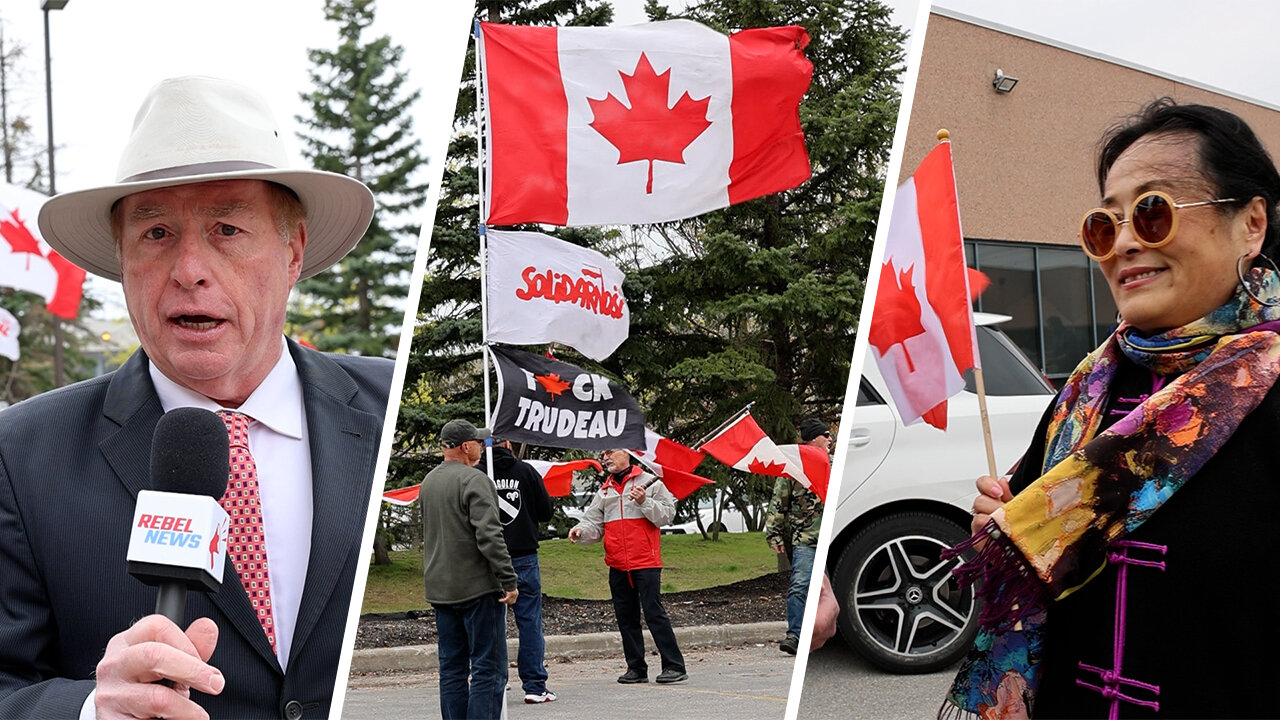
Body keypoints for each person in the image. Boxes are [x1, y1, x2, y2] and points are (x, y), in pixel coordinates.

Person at [0, 76, 392, 719]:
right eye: (155, 234)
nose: (189, 269)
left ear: (292, 252)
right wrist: (91, 710)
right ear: (122, 260)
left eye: (227, 229)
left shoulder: (385, 408)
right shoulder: (20, 456)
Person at [943, 99, 1280, 719]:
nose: (1123, 243)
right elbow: (1030, 559)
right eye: (1105, 224)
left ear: (1251, 223)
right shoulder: (1085, 393)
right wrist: (1005, 524)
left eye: (1153, 212)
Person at [421, 420, 519, 720]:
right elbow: (489, 535)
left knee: (451, 670)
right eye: (478, 441)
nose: (481, 446)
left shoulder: (429, 481)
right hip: (477, 588)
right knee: (488, 670)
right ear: (466, 446)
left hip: (441, 588)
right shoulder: (475, 480)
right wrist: (508, 579)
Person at [568, 448, 687, 684]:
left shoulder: (649, 482)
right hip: (617, 563)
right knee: (626, 617)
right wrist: (581, 531)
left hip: (645, 560)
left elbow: (666, 515)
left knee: (654, 613)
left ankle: (674, 666)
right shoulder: (605, 490)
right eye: (603, 454)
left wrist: (644, 501)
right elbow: (593, 523)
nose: (605, 457)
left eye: (610, 452)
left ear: (627, 454)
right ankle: (636, 668)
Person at [487, 438, 556, 704]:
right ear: (508, 442)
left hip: (489, 559)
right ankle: (535, 686)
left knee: (491, 623)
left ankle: (494, 681)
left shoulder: (477, 473)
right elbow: (546, 511)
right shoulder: (525, 471)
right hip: (524, 555)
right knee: (529, 622)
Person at [763, 417, 828, 654]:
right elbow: (778, 503)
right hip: (806, 539)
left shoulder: (834, 464)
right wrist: (774, 535)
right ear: (813, 439)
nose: (830, 439)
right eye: (826, 435)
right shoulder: (794, 468)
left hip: (833, 538)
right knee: (800, 585)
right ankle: (795, 635)